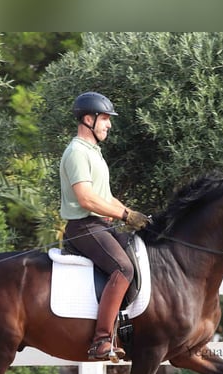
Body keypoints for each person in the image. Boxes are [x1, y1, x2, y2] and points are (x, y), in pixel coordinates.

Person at [59, 91, 150, 360]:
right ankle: (101, 341)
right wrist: (125, 216)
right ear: (88, 119)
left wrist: (133, 214)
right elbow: (87, 199)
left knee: (141, 254)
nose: (109, 124)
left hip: (101, 226)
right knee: (123, 268)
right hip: (85, 227)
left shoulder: (93, 152)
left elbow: (105, 196)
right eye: (105, 119)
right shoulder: (76, 152)